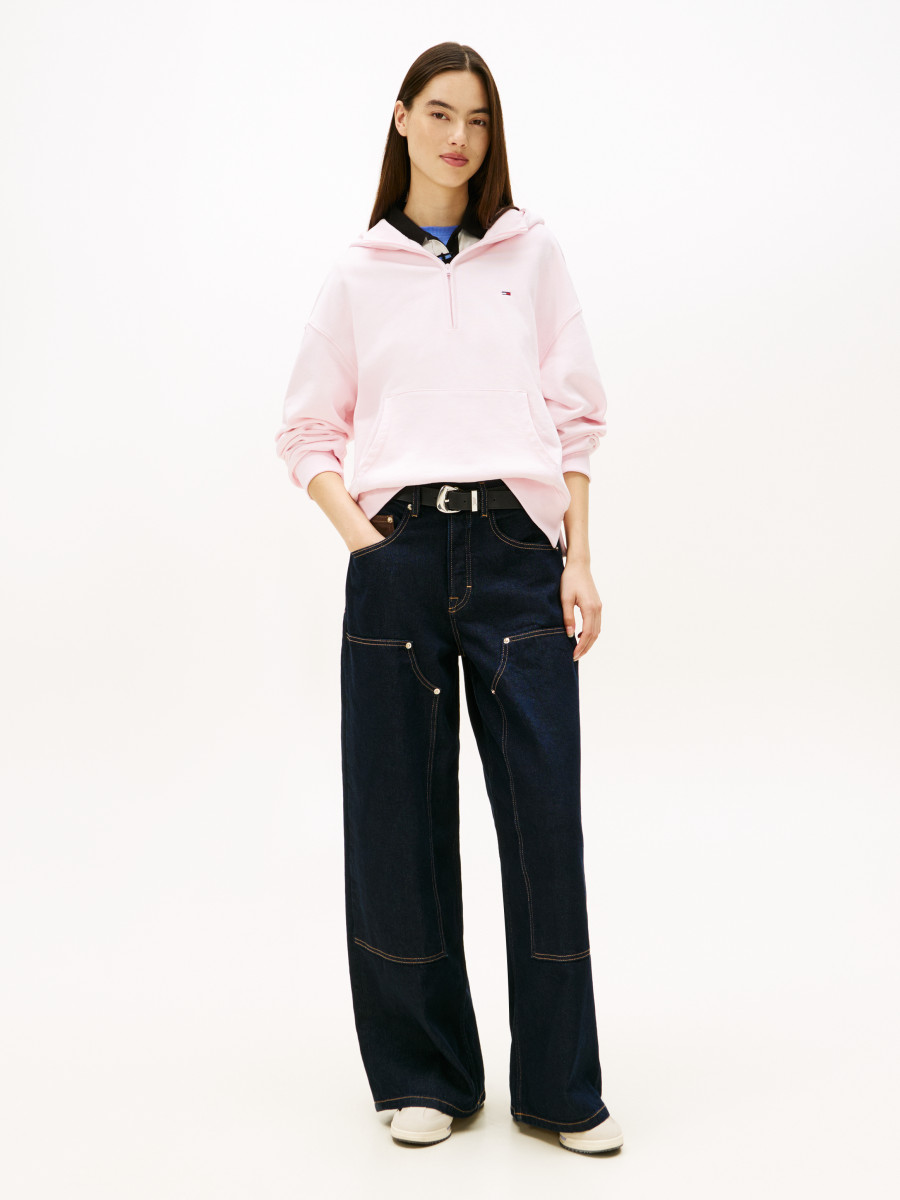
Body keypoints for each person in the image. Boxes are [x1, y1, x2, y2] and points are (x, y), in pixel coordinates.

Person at [274, 42, 624, 1155]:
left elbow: (577, 417)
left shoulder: (533, 253)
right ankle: (425, 1074)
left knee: (543, 822)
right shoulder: (357, 273)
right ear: (401, 121)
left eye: (475, 118)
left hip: (520, 552)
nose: (458, 137)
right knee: (396, 822)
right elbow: (305, 429)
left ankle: (560, 1089)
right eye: (438, 113)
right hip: (400, 554)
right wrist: (366, 544)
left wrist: (576, 557)